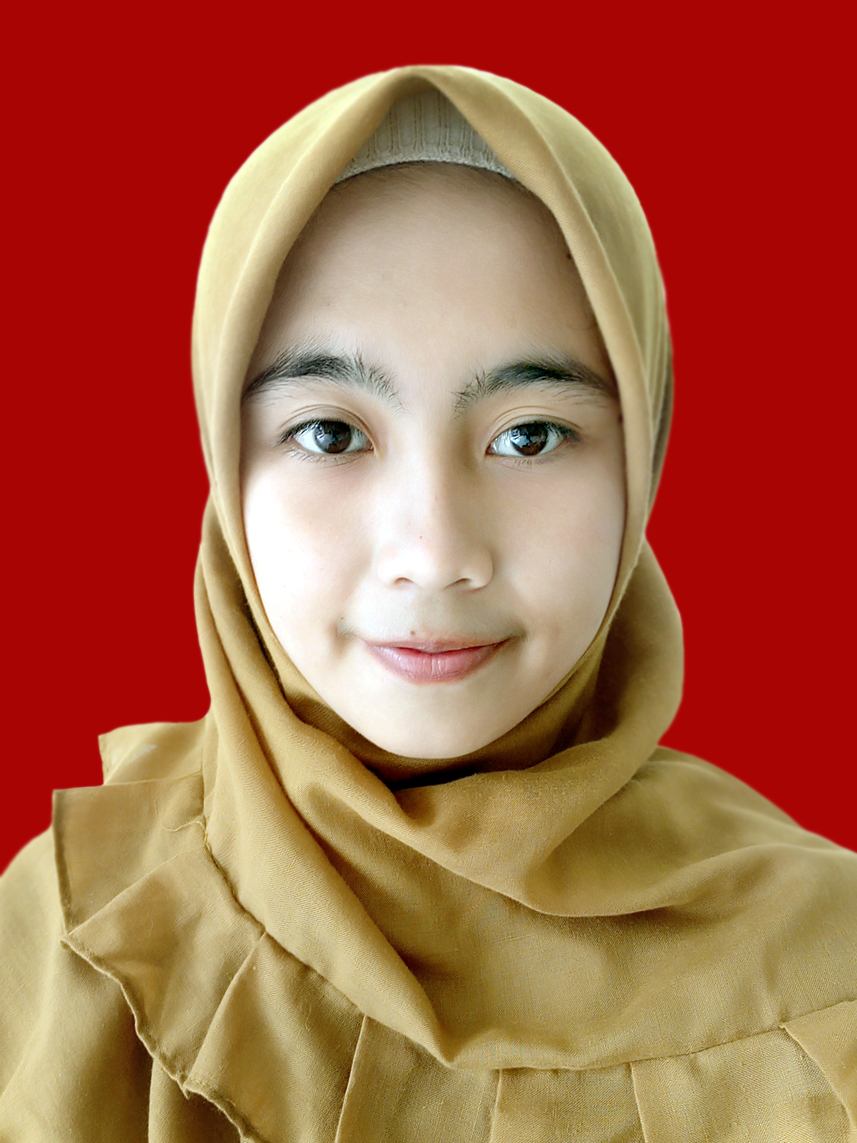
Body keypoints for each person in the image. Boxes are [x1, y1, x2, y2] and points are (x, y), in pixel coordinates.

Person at [0, 67, 854, 1142]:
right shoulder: (73, 930)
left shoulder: (830, 967)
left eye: (529, 435)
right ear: (225, 463)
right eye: (330, 433)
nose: (435, 554)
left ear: (641, 459)